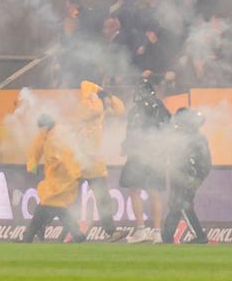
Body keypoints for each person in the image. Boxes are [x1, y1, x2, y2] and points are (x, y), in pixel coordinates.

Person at [75, 80, 128, 239]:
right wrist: (97, 93)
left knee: (103, 199)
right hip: (78, 162)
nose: (105, 105)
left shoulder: (98, 112)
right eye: (101, 101)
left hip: (93, 164)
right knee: (65, 198)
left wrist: (108, 96)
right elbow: (85, 85)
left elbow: (120, 109)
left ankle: (111, 232)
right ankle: (44, 224)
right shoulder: (86, 107)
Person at [120, 77, 171, 243]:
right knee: (153, 192)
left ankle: (141, 229)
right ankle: (157, 233)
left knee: (134, 190)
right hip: (155, 156)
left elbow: (131, 134)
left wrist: (127, 146)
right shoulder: (161, 107)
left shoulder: (135, 111)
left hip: (138, 155)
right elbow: (168, 129)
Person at [24, 114, 86, 243]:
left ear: (45, 126)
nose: (39, 131)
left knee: (46, 205)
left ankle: (28, 237)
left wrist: (75, 173)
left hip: (62, 180)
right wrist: (32, 163)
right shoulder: (51, 133)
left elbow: (68, 156)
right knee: (57, 208)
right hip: (57, 180)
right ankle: (77, 234)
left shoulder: (56, 139)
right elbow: (36, 147)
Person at [162, 108, 212, 244]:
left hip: (186, 175)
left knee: (182, 205)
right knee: (176, 205)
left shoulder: (191, 137)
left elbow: (204, 162)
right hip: (182, 174)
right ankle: (167, 236)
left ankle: (199, 236)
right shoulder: (191, 135)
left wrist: (195, 177)